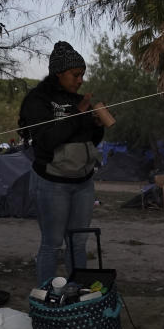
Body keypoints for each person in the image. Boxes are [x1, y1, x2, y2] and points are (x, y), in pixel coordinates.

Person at [19, 41, 115, 285]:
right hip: (52, 183)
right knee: (52, 243)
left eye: (82, 74)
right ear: (59, 73)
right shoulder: (38, 100)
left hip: (83, 183)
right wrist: (77, 114)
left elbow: (90, 141)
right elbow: (46, 140)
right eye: (75, 75)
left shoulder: (78, 100)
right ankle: (47, 299)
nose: (80, 80)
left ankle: (78, 295)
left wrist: (95, 125)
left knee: (79, 241)